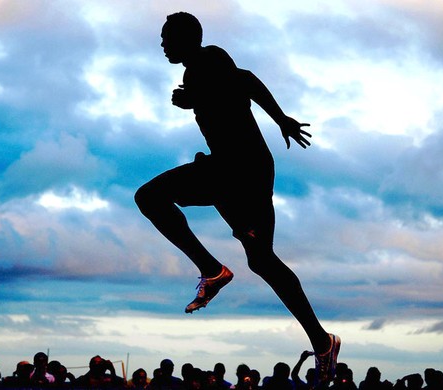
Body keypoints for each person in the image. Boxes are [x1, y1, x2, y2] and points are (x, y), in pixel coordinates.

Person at [134, 12, 339, 385]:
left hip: (239, 169)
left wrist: (280, 118)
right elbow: (230, 93)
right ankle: (322, 343)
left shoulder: (208, 58)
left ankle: (212, 272)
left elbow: (244, 81)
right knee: (261, 260)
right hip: (240, 172)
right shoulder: (196, 71)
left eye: (166, 38)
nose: (161, 45)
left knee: (149, 197)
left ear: (185, 38)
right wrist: (196, 97)